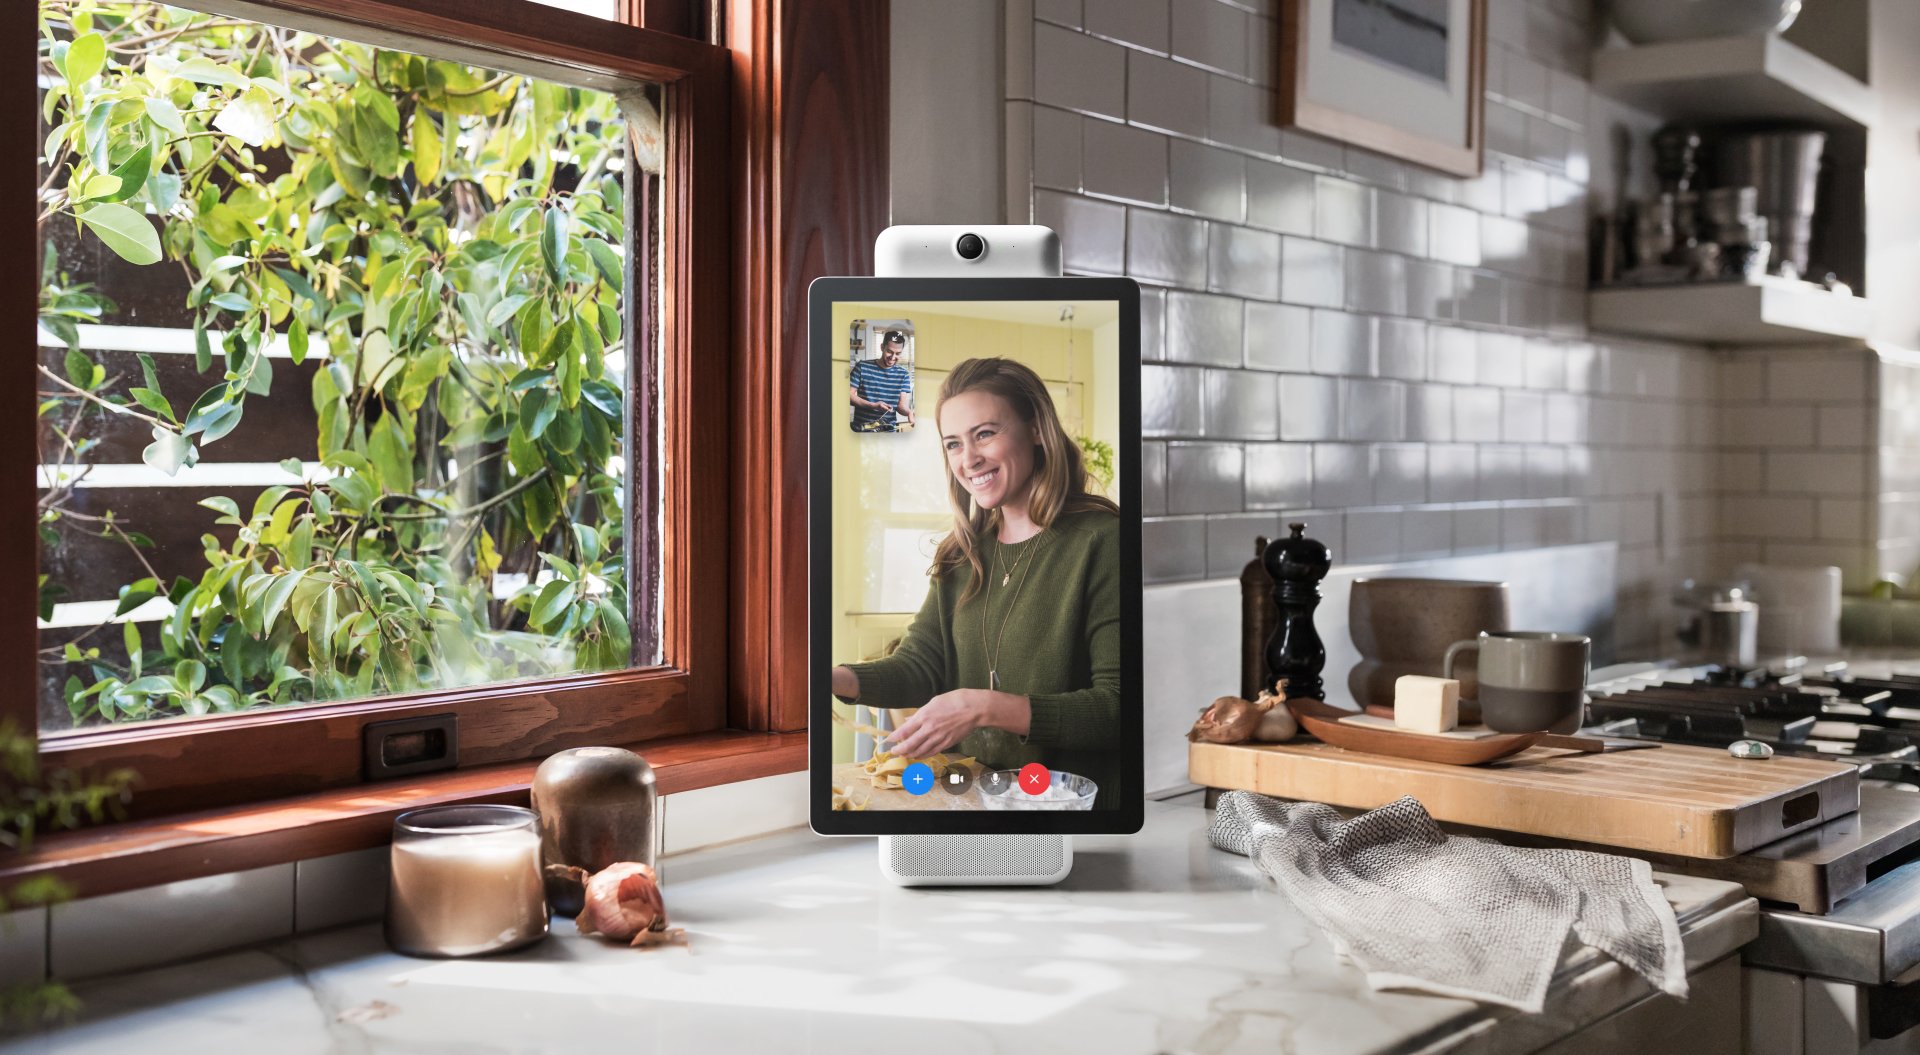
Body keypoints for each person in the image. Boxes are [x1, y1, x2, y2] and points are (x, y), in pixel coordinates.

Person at [830, 357, 1122, 806]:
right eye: (952, 444)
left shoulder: (1102, 541)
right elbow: (920, 667)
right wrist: (831, 678)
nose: (969, 459)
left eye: (985, 433)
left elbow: (1116, 709)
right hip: (978, 802)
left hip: (1075, 814)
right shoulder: (961, 554)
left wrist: (984, 707)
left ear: (1037, 429)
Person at [848, 330, 914, 431]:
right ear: (882, 347)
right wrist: (873, 405)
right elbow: (848, 396)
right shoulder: (862, 367)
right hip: (862, 430)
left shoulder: (903, 374)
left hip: (887, 432)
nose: (893, 357)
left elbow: (900, 406)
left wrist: (909, 412)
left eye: (898, 353)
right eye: (889, 352)